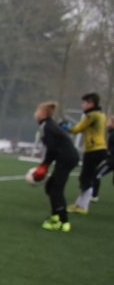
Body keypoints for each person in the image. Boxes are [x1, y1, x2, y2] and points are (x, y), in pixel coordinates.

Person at [34, 101, 80, 232]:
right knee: (50, 186)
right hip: (66, 158)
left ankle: (63, 222)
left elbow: (51, 149)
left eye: (37, 111)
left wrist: (44, 165)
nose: (35, 114)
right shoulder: (48, 125)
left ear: (43, 113)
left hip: (67, 158)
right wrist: (45, 164)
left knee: (55, 189)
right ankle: (55, 216)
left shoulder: (46, 126)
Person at [66, 93, 108, 214]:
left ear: (91, 103)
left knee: (85, 178)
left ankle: (82, 206)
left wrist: (64, 126)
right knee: (87, 177)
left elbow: (76, 129)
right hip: (99, 149)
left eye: (84, 103)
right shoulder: (101, 114)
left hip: (94, 150)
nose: (82, 105)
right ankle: (81, 204)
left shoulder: (92, 115)